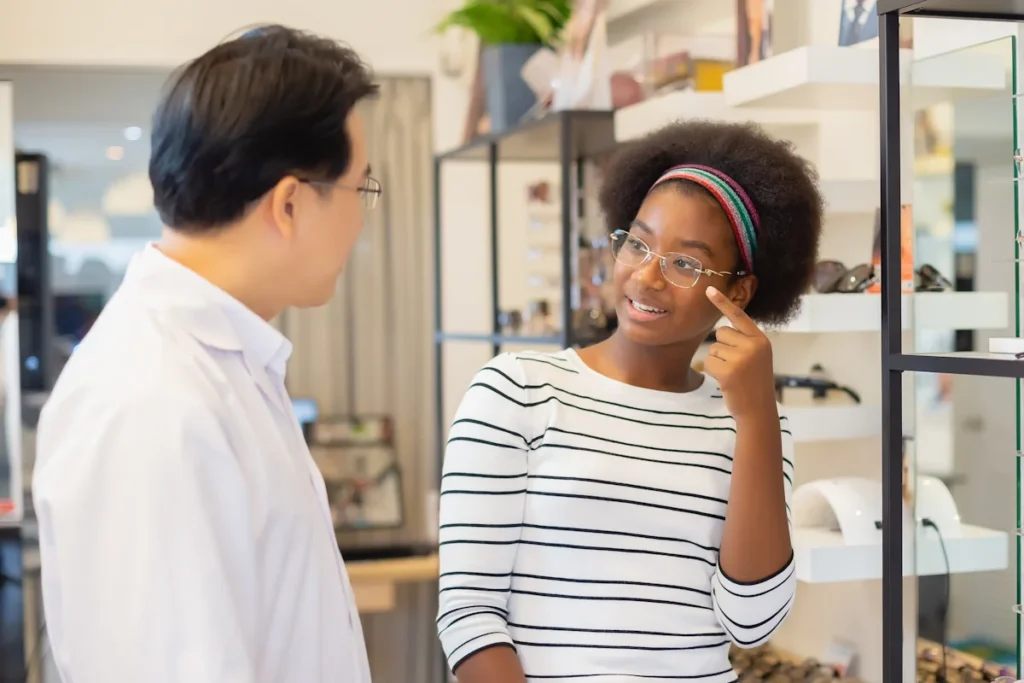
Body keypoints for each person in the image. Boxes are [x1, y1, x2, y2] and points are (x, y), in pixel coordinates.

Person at [33, 25, 379, 683]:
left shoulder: (227, 364)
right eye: (361, 188)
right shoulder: (150, 398)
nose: (361, 220)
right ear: (289, 202)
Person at [436, 120, 823, 682]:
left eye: (685, 263)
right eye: (638, 243)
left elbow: (753, 622)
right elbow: (469, 618)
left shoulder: (756, 427)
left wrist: (757, 414)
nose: (646, 276)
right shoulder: (517, 391)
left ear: (738, 292)